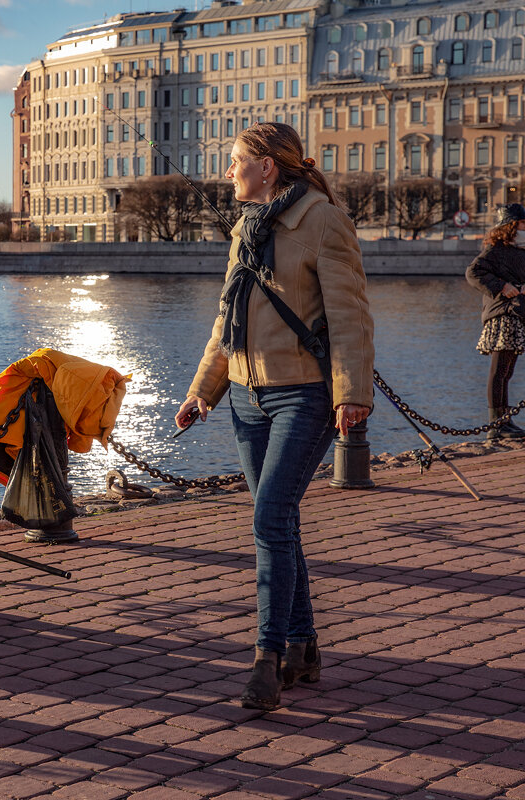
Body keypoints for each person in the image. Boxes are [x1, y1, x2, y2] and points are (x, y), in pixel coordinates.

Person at [175, 122, 374, 711]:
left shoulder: (322, 220)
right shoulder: (245, 227)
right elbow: (225, 320)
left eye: (236, 160)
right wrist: (202, 392)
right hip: (245, 397)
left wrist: (350, 394)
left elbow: (350, 315)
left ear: (267, 167)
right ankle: (304, 645)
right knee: (279, 522)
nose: (228, 170)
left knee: (268, 518)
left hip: (303, 394)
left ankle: (266, 656)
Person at [465, 204, 525, 440]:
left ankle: (504, 421)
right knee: (499, 370)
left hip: (518, 314)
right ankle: (495, 425)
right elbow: (473, 272)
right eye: (523, 223)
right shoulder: (497, 250)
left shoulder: (523, 253)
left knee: (507, 371)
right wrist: (502, 286)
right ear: (511, 226)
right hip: (503, 315)